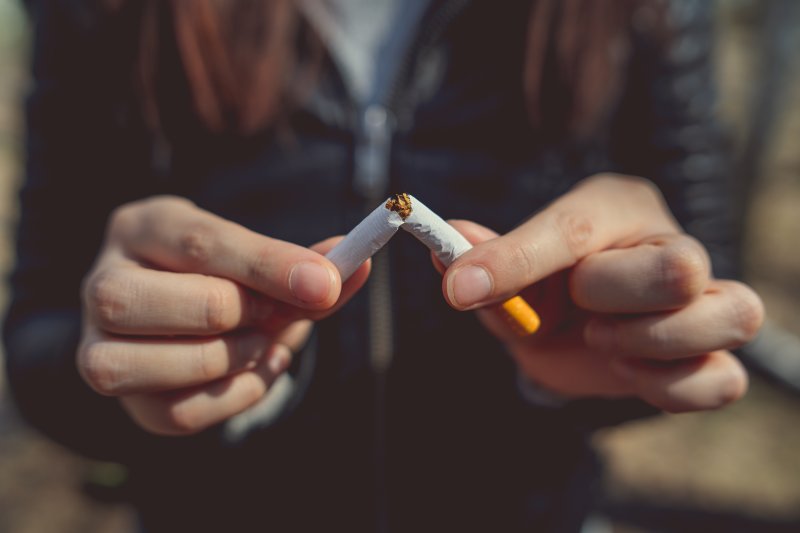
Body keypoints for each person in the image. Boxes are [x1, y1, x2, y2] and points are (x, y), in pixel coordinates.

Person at [4, 0, 764, 531]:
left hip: (535, 512)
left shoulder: (637, 7)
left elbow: (703, 298)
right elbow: (38, 340)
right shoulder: (104, 11)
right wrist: (133, 366)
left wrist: (609, 353)